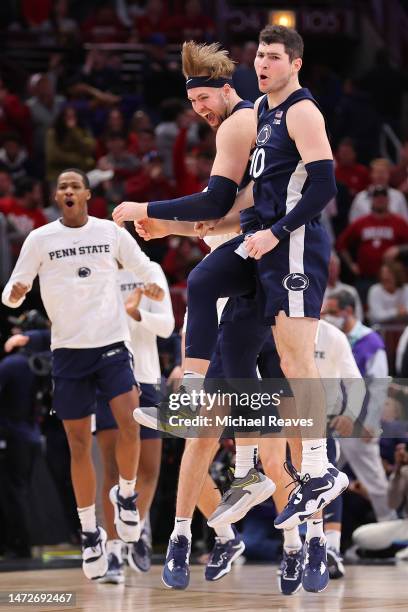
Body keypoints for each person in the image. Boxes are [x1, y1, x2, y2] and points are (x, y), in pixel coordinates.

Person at [1, 168, 165, 580]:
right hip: (69, 352)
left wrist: (152, 286)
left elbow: (144, 266)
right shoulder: (40, 238)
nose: (69, 191)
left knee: (130, 420)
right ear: (57, 197)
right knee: (78, 445)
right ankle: (91, 531)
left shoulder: (110, 232)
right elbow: (11, 291)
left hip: (111, 345)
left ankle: (126, 497)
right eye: (63, 187)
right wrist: (14, 295)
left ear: (88, 194)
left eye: (76, 185)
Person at [96, 262, 174, 583]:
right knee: (112, 470)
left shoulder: (151, 270)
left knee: (150, 469)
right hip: (108, 377)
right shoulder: (95, 272)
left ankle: (137, 527)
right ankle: (113, 550)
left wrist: (137, 312)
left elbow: (167, 326)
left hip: (148, 378)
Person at [323, 290, 397, 523]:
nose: (328, 317)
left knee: (374, 483)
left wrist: (371, 422)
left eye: (333, 312)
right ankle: (321, 534)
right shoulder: (331, 338)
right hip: (334, 421)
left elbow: (378, 386)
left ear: (349, 311)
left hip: (360, 424)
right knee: (325, 478)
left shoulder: (370, 341)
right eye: (327, 312)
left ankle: (393, 528)